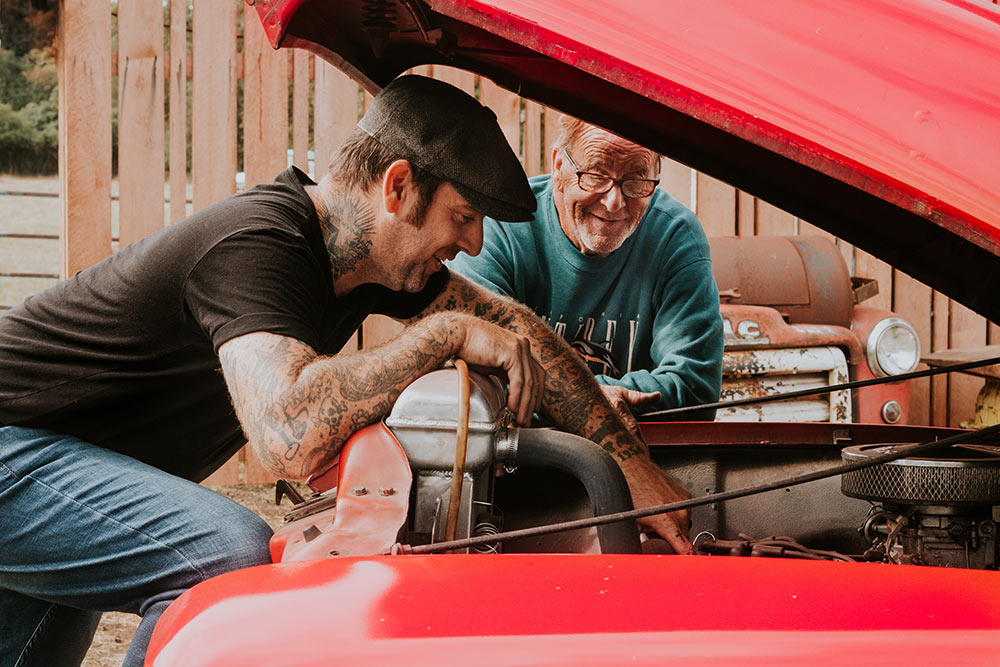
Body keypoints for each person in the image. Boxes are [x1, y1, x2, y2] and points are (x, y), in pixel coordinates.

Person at [0, 76, 693, 666]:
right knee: (223, 551)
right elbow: (288, 434)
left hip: (62, 462)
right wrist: (443, 336)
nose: (474, 242)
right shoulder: (258, 246)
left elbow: (518, 328)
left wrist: (630, 466)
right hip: (14, 446)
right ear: (398, 186)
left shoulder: (367, 268)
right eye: (463, 215)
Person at [448, 116, 723, 424]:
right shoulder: (502, 229)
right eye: (596, 175)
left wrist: (575, 399)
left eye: (636, 180)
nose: (615, 202)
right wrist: (588, 402)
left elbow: (695, 387)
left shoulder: (675, 237)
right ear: (558, 167)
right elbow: (473, 374)